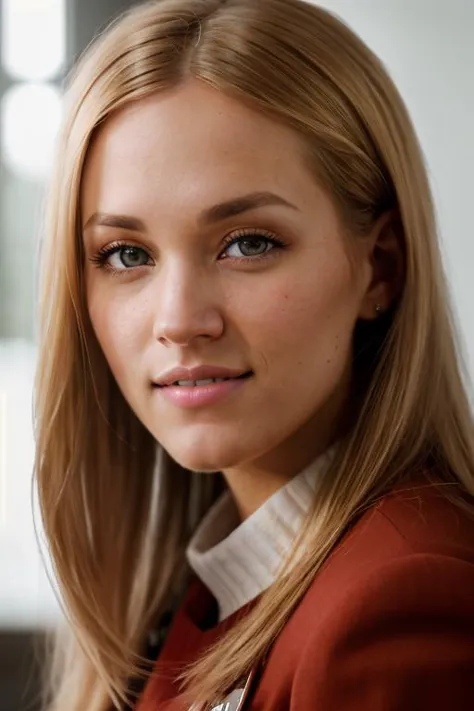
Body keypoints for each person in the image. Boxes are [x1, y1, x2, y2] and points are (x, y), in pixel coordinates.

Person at [34, 0, 474, 709]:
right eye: (126, 253)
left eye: (248, 243)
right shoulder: (202, 592)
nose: (180, 321)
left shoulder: (402, 602)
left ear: (381, 266)